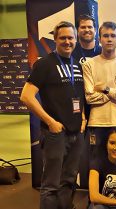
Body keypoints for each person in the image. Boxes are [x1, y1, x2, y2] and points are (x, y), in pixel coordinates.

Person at [20, 21, 86, 209]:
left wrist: (82, 119)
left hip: (76, 133)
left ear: (76, 40)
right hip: (55, 134)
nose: (67, 41)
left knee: (69, 180)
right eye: (63, 37)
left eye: (70, 38)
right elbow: (26, 96)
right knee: (51, 184)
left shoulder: (78, 66)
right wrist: (50, 122)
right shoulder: (45, 64)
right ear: (55, 39)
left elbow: (78, 96)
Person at [82, 21, 116, 154]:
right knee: (96, 163)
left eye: (112, 36)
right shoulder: (89, 64)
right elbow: (89, 98)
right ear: (99, 39)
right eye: (105, 36)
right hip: (97, 123)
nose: (109, 39)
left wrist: (106, 89)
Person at [72, 14, 102, 189]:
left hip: (98, 107)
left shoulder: (102, 51)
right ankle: (73, 187)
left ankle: (98, 189)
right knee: (75, 150)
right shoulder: (72, 51)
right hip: (76, 108)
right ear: (78, 30)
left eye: (90, 27)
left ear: (95, 30)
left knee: (98, 151)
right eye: (83, 27)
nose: (87, 30)